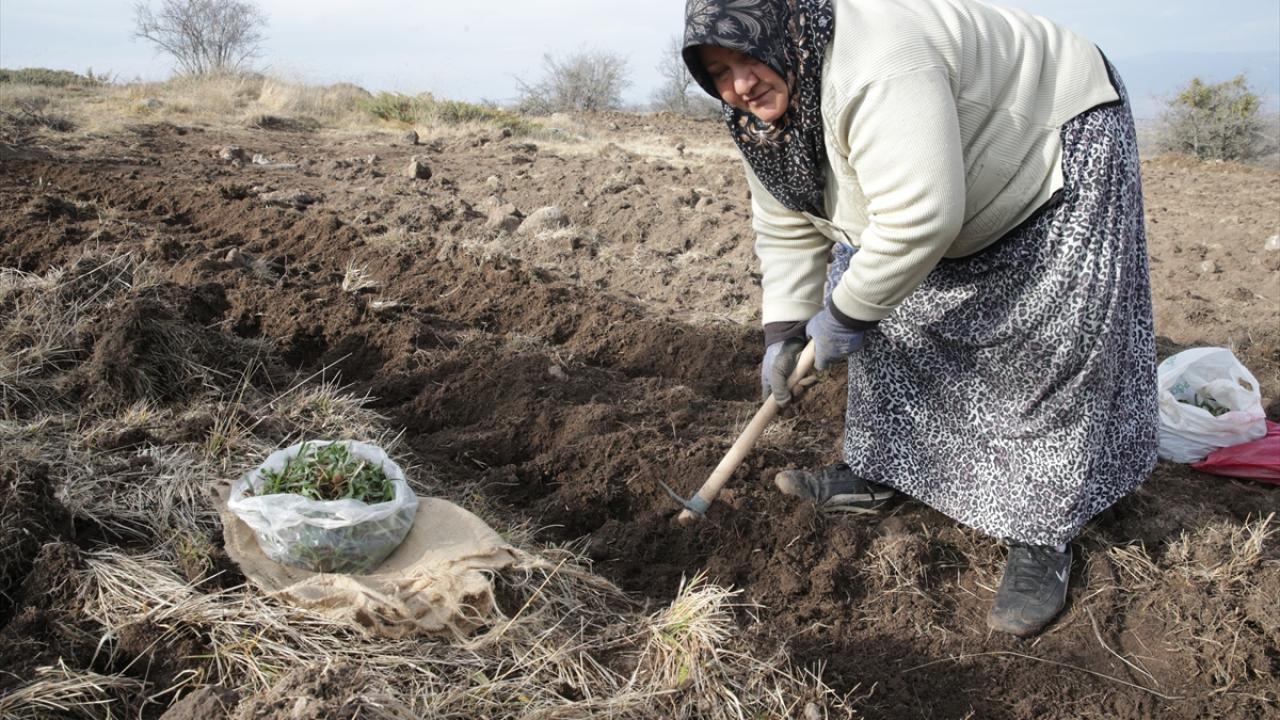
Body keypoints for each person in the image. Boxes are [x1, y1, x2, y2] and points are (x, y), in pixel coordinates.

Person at [681, 0, 1158, 637]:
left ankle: (1042, 533)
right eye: (718, 72)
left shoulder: (877, 63)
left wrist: (843, 317)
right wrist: (786, 330)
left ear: (780, 34)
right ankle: (880, 471)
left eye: (747, 57)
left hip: (1051, 129)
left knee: (1044, 337)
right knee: (884, 307)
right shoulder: (759, 122)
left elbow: (920, 219)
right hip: (932, 179)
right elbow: (786, 225)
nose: (740, 83)